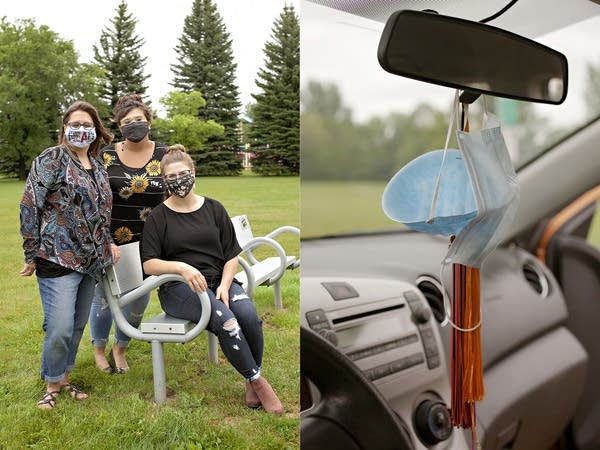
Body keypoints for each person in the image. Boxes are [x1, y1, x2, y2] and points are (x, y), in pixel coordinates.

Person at [141, 145, 284, 414]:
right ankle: (258, 382)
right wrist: (182, 268)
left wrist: (225, 285)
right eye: (171, 177)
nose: (178, 180)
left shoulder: (214, 209)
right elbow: (149, 264)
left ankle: (252, 377)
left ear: (193, 173)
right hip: (179, 289)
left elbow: (231, 254)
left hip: (219, 281)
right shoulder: (158, 217)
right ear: (164, 180)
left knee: (248, 315)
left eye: (183, 174)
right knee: (227, 321)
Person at [20, 100, 115, 409]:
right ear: (64, 128)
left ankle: (63, 377)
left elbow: (101, 211)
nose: (81, 130)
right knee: (60, 326)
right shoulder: (52, 159)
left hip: (92, 261)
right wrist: (30, 251)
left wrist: (109, 241)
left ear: (95, 130)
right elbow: (30, 204)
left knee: (76, 326)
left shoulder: (98, 164)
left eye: (87, 125)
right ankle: (51, 384)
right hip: (56, 257)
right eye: (75, 124)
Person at [89, 93, 168, 374]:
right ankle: (99, 349)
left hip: (148, 241)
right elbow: (94, 197)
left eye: (139, 119)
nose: (134, 124)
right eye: (127, 121)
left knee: (139, 299)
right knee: (102, 297)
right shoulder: (105, 154)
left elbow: (173, 197)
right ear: (119, 125)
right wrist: (102, 238)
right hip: (109, 240)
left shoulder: (164, 154)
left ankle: (120, 347)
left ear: (148, 121)